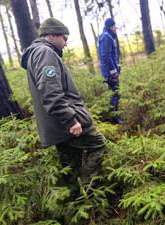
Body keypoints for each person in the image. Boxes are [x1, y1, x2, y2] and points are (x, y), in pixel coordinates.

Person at [21, 18, 106, 193]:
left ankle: (74, 199)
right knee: (98, 145)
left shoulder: (37, 53)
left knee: (70, 165)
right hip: (65, 123)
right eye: (64, 38)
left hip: (56, 125)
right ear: (51, 35)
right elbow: (51, 93)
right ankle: (88, 193)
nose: (66, 43)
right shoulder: (45, 53)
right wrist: (71, 120)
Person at [98, 18, 122, 124]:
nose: (115, 29)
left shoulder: (107, 36)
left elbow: (111, 54)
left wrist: (117, 65)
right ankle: (114, 118)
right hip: (109, 71)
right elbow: (105, 55)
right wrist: (113, 70)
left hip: (110, 70)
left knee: (115, 92)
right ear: (111, 27)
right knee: (115, 93)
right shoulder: (106, 37)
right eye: (114, 27)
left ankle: (115, 116)